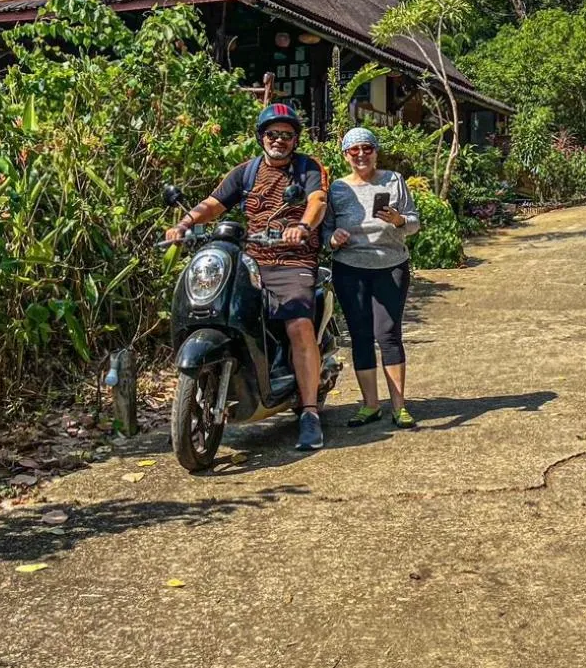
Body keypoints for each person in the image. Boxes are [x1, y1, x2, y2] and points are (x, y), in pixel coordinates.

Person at [163, 104, 330, 451]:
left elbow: (317, 201)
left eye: (286, 135)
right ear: (261, 137)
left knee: (298, 323)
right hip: (251, 259)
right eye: (273, 134)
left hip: (292, 259)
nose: (279, 141)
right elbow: (212, 204)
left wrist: (302, 226)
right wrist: (184, 224)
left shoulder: (308, 168)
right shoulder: (246, 172)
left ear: (295, 139)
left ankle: (310, 412)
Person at [322, 127, 422, 430]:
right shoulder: (337, 189)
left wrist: (399, 220)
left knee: (388, 334)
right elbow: (324, 230)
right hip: (350, 268)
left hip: (390, 265)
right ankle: (370, 405)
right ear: (345, 155)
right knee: (361, 335)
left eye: (367, 148)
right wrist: (333, 238)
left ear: (376, 152)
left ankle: (399, 406)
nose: (361, 155)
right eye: (354, 150)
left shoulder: (394, 180)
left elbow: (415, 222)